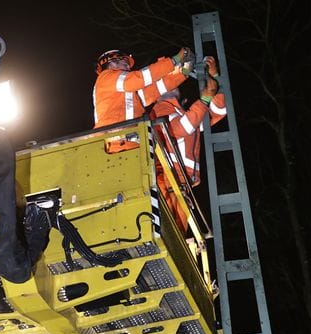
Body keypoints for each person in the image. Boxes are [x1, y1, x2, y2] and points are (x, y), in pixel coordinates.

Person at [151, 56, 226, 231]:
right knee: (168, 236)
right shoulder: (159, 109)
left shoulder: (182, 111)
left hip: (179, 185)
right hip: (166, 181)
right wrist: (205, 99)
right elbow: (180, 128)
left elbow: (218, 111)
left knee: (175, 239)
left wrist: (214, 76)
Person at [93, 48, 194, 129]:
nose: (128, 67)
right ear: (112, 63)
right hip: (113, 139)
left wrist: (183, 72)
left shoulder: (127, 91)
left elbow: (156, 89)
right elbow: (140, 78)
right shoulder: (105, 77)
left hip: (126, 140)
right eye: (125, 62)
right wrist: (174, 60)